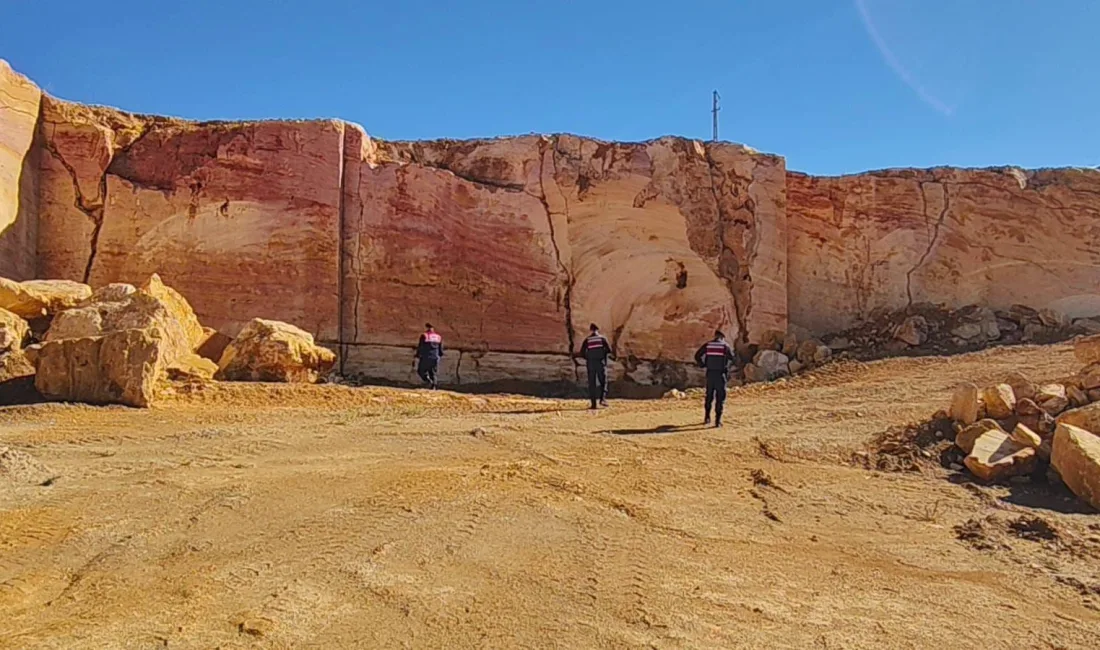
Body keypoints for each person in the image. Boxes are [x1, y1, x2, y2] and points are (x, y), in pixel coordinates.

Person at [694, 329, 736, 427]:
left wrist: (703, 364)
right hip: (720, 374)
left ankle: (707, 417)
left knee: (709, 396)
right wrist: (728, 367)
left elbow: (697, 356)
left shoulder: (708, 345)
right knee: (720, 397)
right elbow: (732, 358)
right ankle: (717, 421)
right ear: (722, 337)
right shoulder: (725, 346)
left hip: (710, 373)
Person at [576, 323, 613, 409]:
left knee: (592, 383)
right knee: (603, 381)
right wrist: (601, 354)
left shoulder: (587, 340)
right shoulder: (602, 339)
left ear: (591, 330)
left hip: (591, 364)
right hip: (600, 363)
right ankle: (602, 399)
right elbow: (609, 350)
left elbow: (582, 353)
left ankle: (593, 404)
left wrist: (589, 358)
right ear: (597, 330)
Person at [414, 323, 444, 389]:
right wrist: (439, 356)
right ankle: (434, 386)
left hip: (426, 357)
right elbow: (440, 350)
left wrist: (417, 355)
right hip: (435, 357)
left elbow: (420, 347)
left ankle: (428, 381)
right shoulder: (438, 337)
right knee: (433, 372)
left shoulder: (424, 336)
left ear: (427, 328)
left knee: (421, 371)